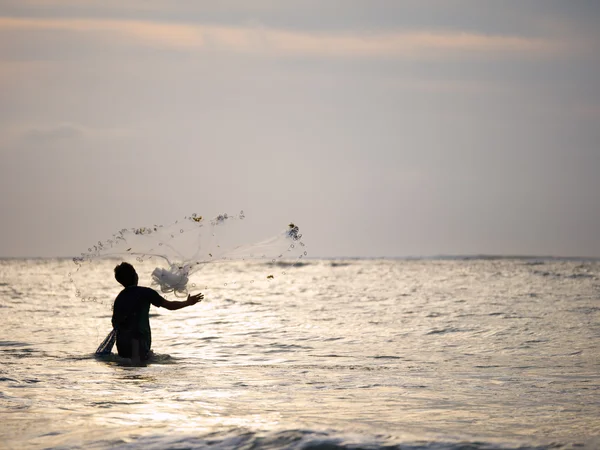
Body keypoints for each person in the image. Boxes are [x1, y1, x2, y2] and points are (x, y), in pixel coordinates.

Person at [111, 262, 203, 361]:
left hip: (122, 344)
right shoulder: (146, 292)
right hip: (138, 342)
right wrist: (187, 303)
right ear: (135, 276)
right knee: (139, 369)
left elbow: (115, 322)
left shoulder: (119, 298)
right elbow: (169, 306)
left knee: (127, 369)